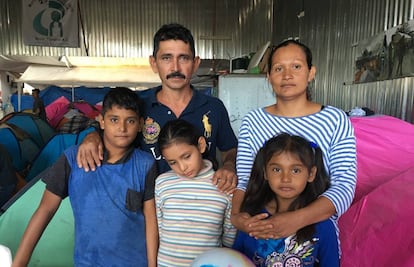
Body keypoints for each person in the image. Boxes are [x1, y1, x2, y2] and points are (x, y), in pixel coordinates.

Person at [76, 23, 238, 194]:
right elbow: (113, 127)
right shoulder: (138, 105)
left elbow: (230, 149)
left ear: (195, 63)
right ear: (153, 63)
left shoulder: (214, 107)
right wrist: (92, 137)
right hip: (148, 207)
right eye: (166, 58)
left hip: (202, 206)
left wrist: (229, 166)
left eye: (183, 58)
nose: (175, 68)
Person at [231, 40, 357, 250]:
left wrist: (297, 219)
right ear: (269, 77)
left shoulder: (335, 119)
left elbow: (344, 186)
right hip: (262, 232)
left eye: (296, 66)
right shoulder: (253, 121)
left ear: (311, 72)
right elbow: (245, 180)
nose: (287, 75)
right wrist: (237, 217)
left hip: (315, 236)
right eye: (279, 68)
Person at [12, 87, 158, 267]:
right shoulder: (72, 159)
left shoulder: (145, 164)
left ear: (140, 124)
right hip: (87, 262)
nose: (122, 128)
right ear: (101, 121)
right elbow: (45, 210)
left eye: (130, 120)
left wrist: (153, 265)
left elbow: (151, 218)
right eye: (114, 119)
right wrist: (19, 262)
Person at [232, 133, 339, 267]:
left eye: (295, 170)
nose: (286, 179)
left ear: (311, 174)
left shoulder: (322, 224)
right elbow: (234, 260)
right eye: (277, 169)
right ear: (265, 172)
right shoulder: (252, 217)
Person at [155, 119, 236, 266]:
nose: (182, 167)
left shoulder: (223, 185)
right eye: (172, 162)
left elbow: (229, 239)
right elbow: (160, 231)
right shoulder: (162, 183)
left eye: (186, 157)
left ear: (201, 145)